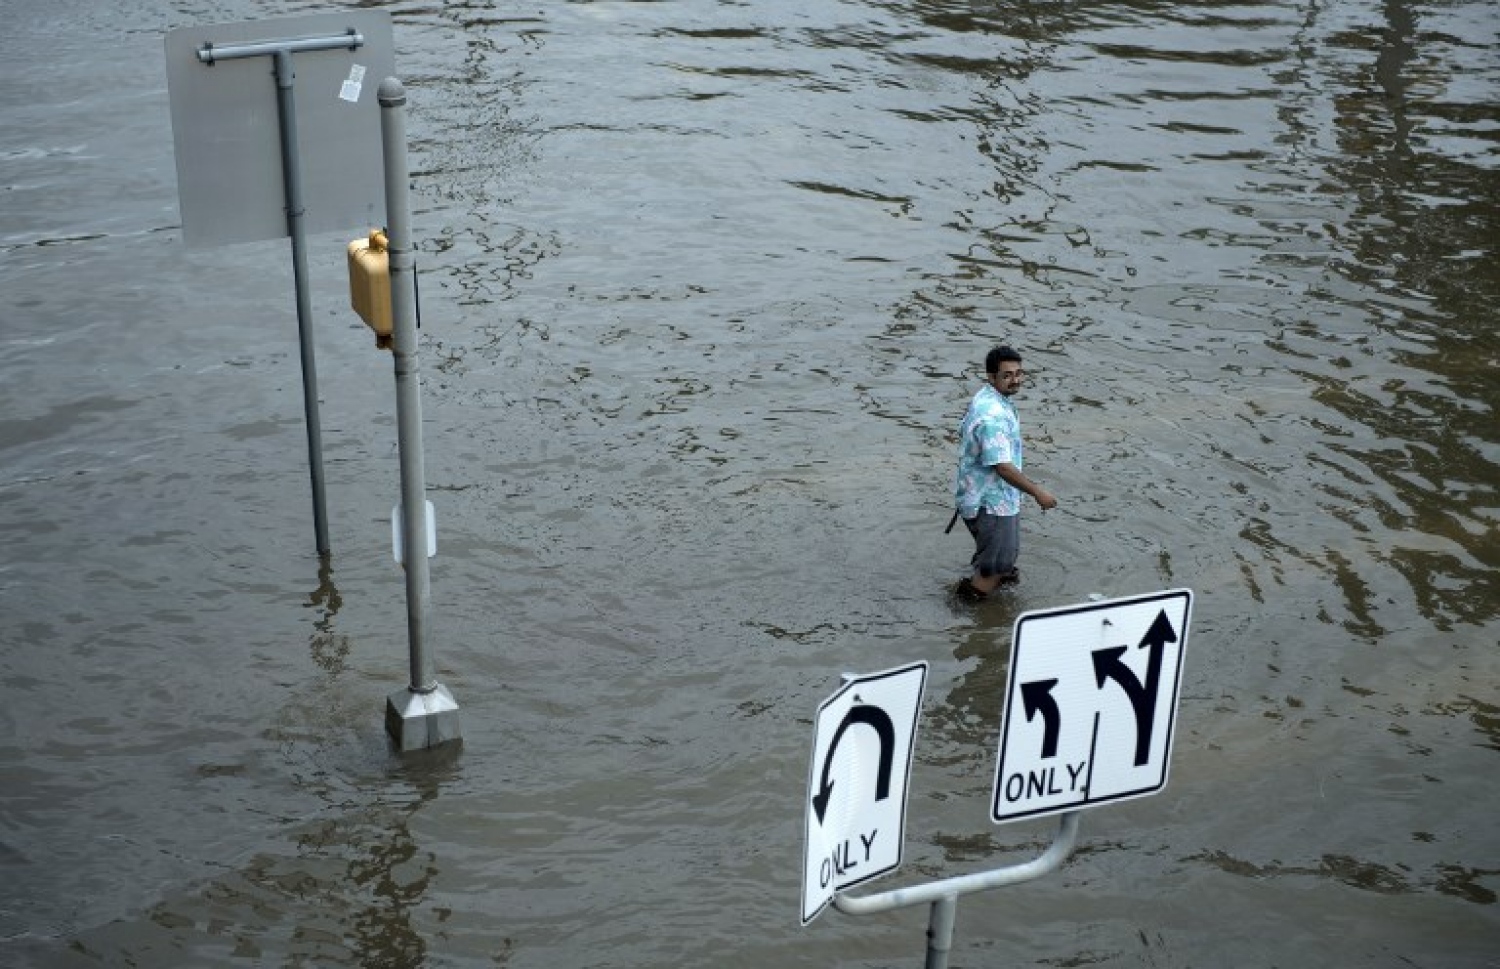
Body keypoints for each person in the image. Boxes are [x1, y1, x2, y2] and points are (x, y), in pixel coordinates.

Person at [951, 345, 1057, 600]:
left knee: (999, 560)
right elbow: (1003, 467)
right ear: (991, 376)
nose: (1015, 380)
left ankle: (990, 595)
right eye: (1007, 375)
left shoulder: (989, 398)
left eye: (1019, 373)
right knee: (996, 567)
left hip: (979, 496)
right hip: (992, 503)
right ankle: (966, 616)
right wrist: (1037, 492)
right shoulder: (993, 416)